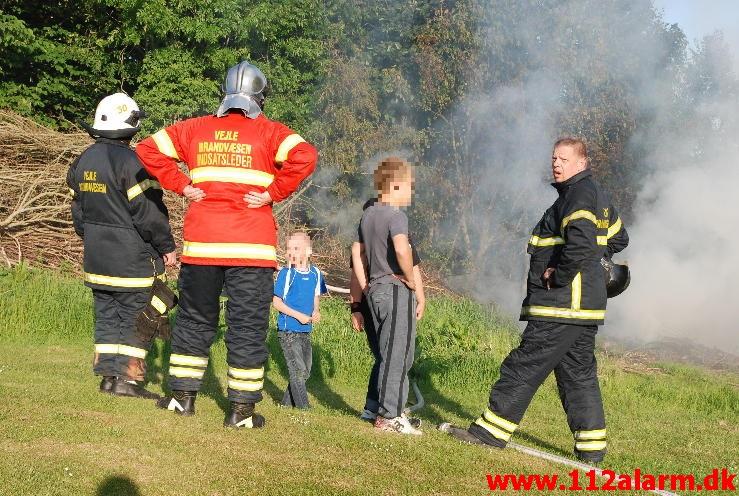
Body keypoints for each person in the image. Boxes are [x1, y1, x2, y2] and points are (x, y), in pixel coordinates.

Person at [135, 61, 318, 428]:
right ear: (260, 97)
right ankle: (241, 412)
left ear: (225, 95)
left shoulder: (194, 129)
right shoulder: (271, 133)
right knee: (247, 327)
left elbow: (147, 149)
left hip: (203, 246)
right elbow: (306, 156)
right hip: (252, 250)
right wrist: (273, 193)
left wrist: (181, 184)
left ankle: (181, 399)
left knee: (194, 321)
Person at [447, 137, 628, 463]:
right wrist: (595, 264)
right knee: (578, 375)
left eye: (563, 159)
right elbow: (618, 237)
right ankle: (592, 449)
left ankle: (490, 433)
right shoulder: (596, 196)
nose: (556, 164)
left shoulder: (578, 195)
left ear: (582, 163)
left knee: (524, 366)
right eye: (554, 158)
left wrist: (560, 275)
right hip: (583, 310)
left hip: (561, 306)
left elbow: (583, 242)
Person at [67, 92, 177, 399]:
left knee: (106, 316)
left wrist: (92, 239)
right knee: (135, 318)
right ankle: (127, 381)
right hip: (131, 260)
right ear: (131, 126)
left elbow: (79, 212)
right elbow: (149, 213)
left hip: (97, 259)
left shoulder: (83, 160)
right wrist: (166, 245)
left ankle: (108, 378)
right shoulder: (133, 163)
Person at [352, 157, 422, 435]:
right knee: (399, 355)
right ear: (394, 185)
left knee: (386, 352)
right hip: (395, 291)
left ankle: (375, 407)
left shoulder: (367, 215)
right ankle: (390, 416)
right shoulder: (396, 216)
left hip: (376, 291)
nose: (410, 194)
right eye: (409, 188)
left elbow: (357, 254)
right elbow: (403, 250)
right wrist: (409, 279)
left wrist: (366, 287)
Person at [272, 233, 328, 409]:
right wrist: (298, 316)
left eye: (296, 249)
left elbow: (316, 295)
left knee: (305, 371)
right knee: (298, 370)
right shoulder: (286, 274)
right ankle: (305, 407)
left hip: (306, 331)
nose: (291, 253)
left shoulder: (316, 273)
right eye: (288, 249)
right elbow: (276, 303)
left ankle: (286, 405)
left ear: (308, 251)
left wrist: (316, 311)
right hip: (288, 330)